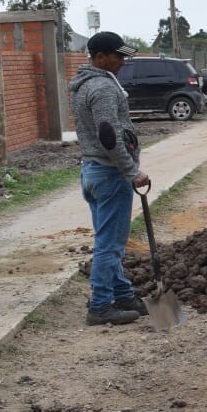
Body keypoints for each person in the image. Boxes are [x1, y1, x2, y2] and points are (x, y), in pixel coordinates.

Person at [69, 31, 151, 326]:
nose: (123, 62)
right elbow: (109, 137)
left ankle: (123, 295)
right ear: (100, 57)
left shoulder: (85, 84)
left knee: (108, 240)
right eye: (118, 56)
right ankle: (101, 306)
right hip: (109, 174)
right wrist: (131, 171)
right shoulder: (103, 88)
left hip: (93, 171)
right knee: (110, 245)